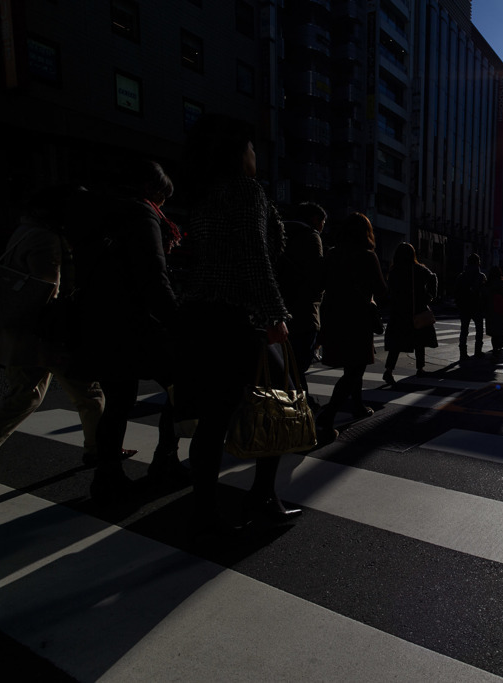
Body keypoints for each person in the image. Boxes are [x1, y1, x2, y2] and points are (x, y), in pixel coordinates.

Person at [176, 113, 299, 536]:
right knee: (281, 402)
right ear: (237, 153)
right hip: (237, 317)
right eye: (250, 148)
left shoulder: (204, 194)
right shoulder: (246, 192)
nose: (255, 154)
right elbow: (254, 259)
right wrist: (274, 316)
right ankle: (262, 494)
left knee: (213, 419)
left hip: (203, 315)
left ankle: (204, 511)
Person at [75, 160, 183, 501]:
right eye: (163, 196)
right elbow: (153, 277)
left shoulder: (97, 212)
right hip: (134, 323)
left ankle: (106, 476)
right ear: (153, 190)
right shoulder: (142, 215)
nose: (163, 204)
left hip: (99, 320)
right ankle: (164, 461)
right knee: (180, 383)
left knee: (118, 401)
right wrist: (178, 321)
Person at [0, 187, 105, 461]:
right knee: (89, 395)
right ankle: (98, 451)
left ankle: (98, 448)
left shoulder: (24, 231)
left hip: (20, 333)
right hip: (44, 336)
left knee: (25, 397)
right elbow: (48, 291)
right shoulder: (46, 238)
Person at [317, 212, 386, 425]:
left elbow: (321, 284)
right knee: (355, 369)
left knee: (352, 366)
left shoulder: (332, 254)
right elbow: (381, 290)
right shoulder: (367, 255)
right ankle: (328, 416)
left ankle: (357, 406)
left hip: (333, 316)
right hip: (357, 318)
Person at [277, 202, 327, 377]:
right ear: (315, 219)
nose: (322, 228)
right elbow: (317, 275)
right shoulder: (311, 237)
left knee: (283, 363)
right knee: (299, 363)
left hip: (278, 307)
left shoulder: (277, 233)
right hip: (305, 310)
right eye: (322, 223)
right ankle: (297, 399)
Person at [381, 242, 437, 383]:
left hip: (399, 311)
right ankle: (420, 368)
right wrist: (429, 296)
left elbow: (389, 291)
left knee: (397, 343)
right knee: (419, 339)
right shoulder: (418, 269)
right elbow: (433, 278)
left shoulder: (394, 271)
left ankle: (389, 369)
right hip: (416, 308)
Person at [454, 253, 486, 358]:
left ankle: (463, 353)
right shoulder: (481, 277)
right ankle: (478, 351)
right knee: (479, 330)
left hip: (464, 306)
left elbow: (456, 292)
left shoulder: (461, 276)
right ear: (478, 263)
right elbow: (485, 293)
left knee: (464, 330)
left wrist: (459, 304)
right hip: (477, 306)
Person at [482, 265, 503, 362]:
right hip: (500, 310)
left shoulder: (487, 284)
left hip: (490, 311)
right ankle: (499, 345)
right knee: (502, 328)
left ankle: (496, 349)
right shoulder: (502, 284)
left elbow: (484, 297)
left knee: (493, 332)